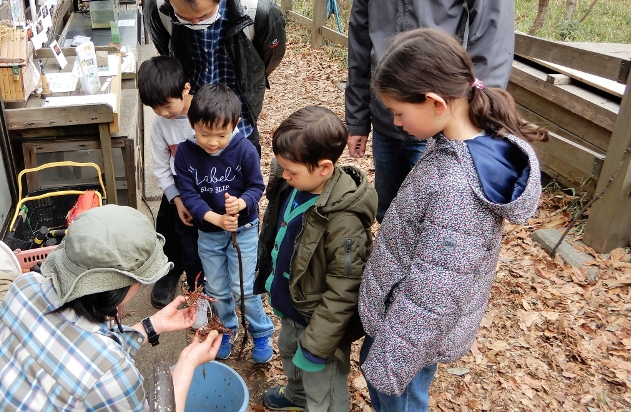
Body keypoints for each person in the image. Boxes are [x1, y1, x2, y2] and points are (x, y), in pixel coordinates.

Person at [357, 29, 548, 411]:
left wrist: (389, 363)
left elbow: (434, 293)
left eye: (399, 112)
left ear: (435, 103)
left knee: (398, 400)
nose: (395, 122)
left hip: (408, 338)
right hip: (401, 322)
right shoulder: (455, 143)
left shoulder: (458, 191)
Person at [0, 205, 223, 412]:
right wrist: (187, 363)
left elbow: (81, 351)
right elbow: (98, 365)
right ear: (124, 286)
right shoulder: (113, 376)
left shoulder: (24, 287)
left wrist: (150, 327)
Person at [345, 0, 515, 222]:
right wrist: (357, 120)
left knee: (443, 217)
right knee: (389, 215)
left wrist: (476, 120)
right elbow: (359, 44)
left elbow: (493, 34)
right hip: (386, 120)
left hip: (443, 122)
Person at [253, 107, 377, 411]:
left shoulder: (343, 221)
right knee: (289, 352)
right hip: (293, 306)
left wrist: (319, 343)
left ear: (323, 168)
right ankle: (296, 396)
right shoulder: (296, 186)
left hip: (320, 324)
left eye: (291, 171)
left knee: (323, 385)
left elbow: (344, 288)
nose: (284, 175)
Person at [173, 84, 274, 362]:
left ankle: (261, 331)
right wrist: (216, 218)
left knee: (243, 288)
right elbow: (189, 196)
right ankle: (226, 330)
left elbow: (256, 187)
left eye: (222, 134)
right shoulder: (185, 153)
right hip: (208, 232)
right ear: (192, 123)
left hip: (244, 230)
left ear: (235, 124)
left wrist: (242, 203)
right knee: (216, 289)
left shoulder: (244, 149)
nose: (213, 142)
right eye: (205, 134)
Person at [143, 0, 286, 154]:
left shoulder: (258, 9)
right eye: (184, 18)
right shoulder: (158, 5)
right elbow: (166, 51)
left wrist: (249, 80)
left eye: (203, 16)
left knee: (243, 164)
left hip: (239, 114)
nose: (194, 22)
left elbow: (267, 60)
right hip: (188, 118)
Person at [138, 56, 205, 321]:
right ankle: (170, 269)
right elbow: (161, 166)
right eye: (155, 108)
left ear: (186, 89)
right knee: (169, 227)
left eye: (167, 105)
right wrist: (176, 199)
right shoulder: (161, 125)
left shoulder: (206, 112)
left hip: (209, 182)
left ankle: (209, 279)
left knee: (206, 235)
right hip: (178, 184)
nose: (164, 113)